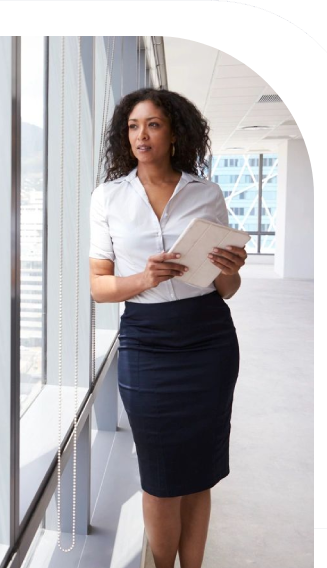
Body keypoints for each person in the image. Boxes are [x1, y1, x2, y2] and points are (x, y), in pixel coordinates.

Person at [89, 87, 247, 568]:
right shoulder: (109, 198)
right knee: (159, 477)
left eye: (153, 124)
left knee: (200, 473)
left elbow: (227, 288)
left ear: (175, 132)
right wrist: (144, 278)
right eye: (134, 126)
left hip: (208, 338)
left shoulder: (206, 194)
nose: (142, 134)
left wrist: (230, 265)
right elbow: (98, 287)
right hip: (147, 340)